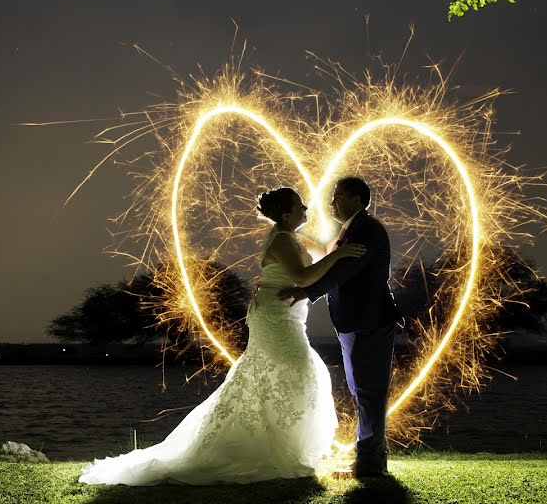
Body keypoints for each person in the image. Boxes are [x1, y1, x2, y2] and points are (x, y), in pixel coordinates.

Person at [78, 187, 364, 485]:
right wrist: (343, 253)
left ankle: (278, 443)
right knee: (302, 371)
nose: (307, 208)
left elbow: (325, 253)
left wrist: (345, 233)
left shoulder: (293, 238)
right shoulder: (282, 240)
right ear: (285, 214)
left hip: (286, 315)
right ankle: (277, 447)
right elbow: (304, 277)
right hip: (276, 318)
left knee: (282, 374)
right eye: (300, 205)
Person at [280, 177, 399, 478]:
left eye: (339, 195)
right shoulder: (349, 230)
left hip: (369, 321)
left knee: (368, 390)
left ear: (357, 200)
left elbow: (345, 270)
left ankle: (371, 462)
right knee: (362, 389)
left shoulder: (368, 230)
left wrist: (307, 292)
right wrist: (295, 239)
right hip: (354, 322)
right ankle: (369, 456)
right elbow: (331, 258)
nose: (332, 201)